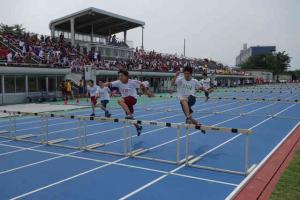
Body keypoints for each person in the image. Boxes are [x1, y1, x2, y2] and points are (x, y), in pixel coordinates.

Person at [104, 69, 154, 136]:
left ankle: (129, 115)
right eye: (119, 76)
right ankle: (138, 127)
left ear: (127, 76)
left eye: (122, 76)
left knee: (120, 101)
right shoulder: (118, 82)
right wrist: (105, 84)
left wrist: (148, 93)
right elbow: (110, 83)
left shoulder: (133, 82)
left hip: (132, 98)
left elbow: (142, 85)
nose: (120, 77)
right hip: (126, 102)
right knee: (130, 118)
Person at [171, 66, 205, 133]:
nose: (186, 75)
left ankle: (187, 118)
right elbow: (172, 83)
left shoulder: (194, 81)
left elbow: (201, 88)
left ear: (191, 74)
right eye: (185, 73)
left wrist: (207, 91)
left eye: (188, 73)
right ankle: (199, 125)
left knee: (183, 100)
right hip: (184, 103)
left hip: (191, 98)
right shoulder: (180, 79)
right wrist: (176, 75)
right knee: (190, 117)